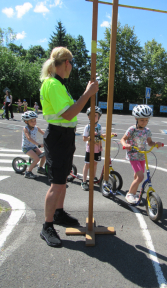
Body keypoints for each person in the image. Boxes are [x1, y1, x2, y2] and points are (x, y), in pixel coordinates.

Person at [39, 46, 98, 247]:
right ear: (66, 63)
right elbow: (68, 114)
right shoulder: (53, 84)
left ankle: (58, 213)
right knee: (56, 183)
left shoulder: (59, 84)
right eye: (71, 62)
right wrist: (88, 94)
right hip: (57, 136)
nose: (72, 66)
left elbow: (68, 113)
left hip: (64, 137)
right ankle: (47, 226)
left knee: (62, 179)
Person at [121, 105, 163, 204]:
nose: (144, 122)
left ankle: (134, 192)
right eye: (142, 120)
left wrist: (156, 144)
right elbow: (123, 139)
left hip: (142, 155)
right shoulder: (132, 129)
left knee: (137, 176)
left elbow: (150, 142)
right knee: (140, 177)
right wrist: (125, 144)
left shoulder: (147, 131)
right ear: (136, 118)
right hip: (133, 155)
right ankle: (130, 194)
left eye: (146, 120)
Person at [81, 106, 117, 191]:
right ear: (88, 116)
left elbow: (101, 135)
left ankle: (93, 177)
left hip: (97, 148)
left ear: (99, 117)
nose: (93, 117)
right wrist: (90, 137)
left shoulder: (99, 126)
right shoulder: (88, 127)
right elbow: (84, 138)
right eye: (91, 115)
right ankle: (84, 181)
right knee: (87, 164)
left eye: (96, 115)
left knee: (95, 163)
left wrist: (110, 133)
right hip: (90, 149)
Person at [21, 111, 46, 179]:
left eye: (35, 120)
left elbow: (44, 134)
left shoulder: (36, 128)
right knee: (37, 159)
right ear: (26, 122)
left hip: (33, 146)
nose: (34, 122)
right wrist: (38, 144)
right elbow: (29, 138)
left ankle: (40, 168)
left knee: (44, 156)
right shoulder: (26, 129)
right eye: (31, 121)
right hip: (27, 147)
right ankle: (28, 172)